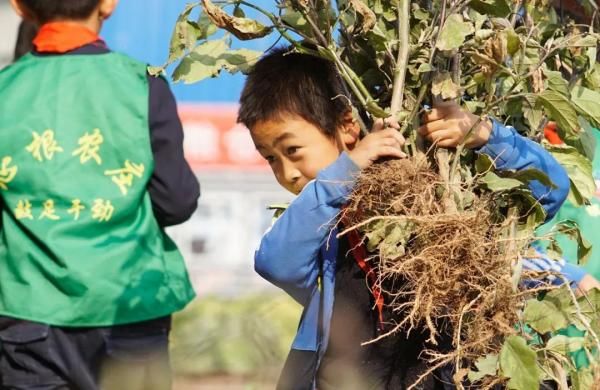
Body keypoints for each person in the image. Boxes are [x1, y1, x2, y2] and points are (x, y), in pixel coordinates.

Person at [237, 46, 572, 389]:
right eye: (270, 159)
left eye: (292, 150)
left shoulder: (450, 196)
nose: (287, 173)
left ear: (348, 125)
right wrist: (344, 172)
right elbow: (276, 262)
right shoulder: (320, 227)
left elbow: (550, 190)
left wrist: (483, 135)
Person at [0, 1, 200, 389]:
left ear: (20, 7)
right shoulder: (142, 84)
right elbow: (176, 200)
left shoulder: (5, 93)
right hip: (130, 310)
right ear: (108, 3)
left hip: (28, 316)